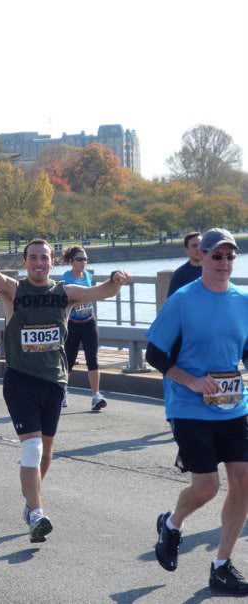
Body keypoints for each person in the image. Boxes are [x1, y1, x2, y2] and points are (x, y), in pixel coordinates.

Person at [0, 208, 130, 543]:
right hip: (20, 380)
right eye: (33, 258)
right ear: (25, 262)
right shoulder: (14, 290)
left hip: (54, 382)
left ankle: (30, 504)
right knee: (33, 449)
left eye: (44, 258)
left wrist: (116, 280)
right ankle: (38, 513)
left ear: (52, 262)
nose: (39, 263)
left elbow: (100, 292)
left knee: (47, 452)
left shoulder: (64, 293)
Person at [146, 228, 248, 595]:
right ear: (201, 257)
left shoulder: (244, 300)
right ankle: (171, 524)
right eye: (216, 256)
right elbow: (155, 355)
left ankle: (221, 566)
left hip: (233, 404)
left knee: (244, 482)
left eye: (230, 256)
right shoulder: (183, 300)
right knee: (206, 486)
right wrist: (190, 382)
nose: (223, 263)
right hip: (189, 405)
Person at [61, 246, 106, 411]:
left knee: (92, 359)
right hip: (72, 324)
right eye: (79, 259)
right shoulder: (66, 278)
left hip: (89, 322)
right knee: (69, 361)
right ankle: (62, 391)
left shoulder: (88, 275)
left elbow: (92, 295)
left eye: (85, 259)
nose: (83, 262)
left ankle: (96, 396)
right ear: (72, 261)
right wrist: (83, 298)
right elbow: (67, 298)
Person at [167, 232, 202, 297]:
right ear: (186, 250)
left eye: (201, 244)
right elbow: (172, 301)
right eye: (194, 246)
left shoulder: (213, 269)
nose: (199, 248)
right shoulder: (179, 274)